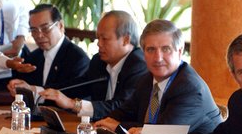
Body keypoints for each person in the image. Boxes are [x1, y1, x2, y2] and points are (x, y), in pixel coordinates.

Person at [9, 10, 147, 120]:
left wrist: (72, 104)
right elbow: (75, 87)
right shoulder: (99, 61)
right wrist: (33, 90)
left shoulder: (138, 65)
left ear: (126, 40)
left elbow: (121, 106)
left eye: (104, 39)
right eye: (98, 38)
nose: (98, 43)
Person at [94, 19, 221, 134]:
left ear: (180, 51)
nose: (158, 58)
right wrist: (105, 122)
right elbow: (124, 112)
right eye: (151, 50)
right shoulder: (147, 80)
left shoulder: (189, 88)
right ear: (143, 53)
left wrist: (118, 127)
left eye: (166, 49)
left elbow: (162, 133)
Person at [8, 4, 89, 90]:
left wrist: (34, 90)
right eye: (34, 30)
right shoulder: (32, 58)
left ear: (60, 26)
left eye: (45, 28)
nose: (39, 35)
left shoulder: (78, 59)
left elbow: (70, 94)